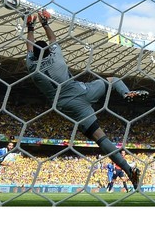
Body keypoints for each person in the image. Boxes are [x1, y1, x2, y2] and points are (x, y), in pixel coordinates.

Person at [24, 10, 147, 190]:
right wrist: (44, 24)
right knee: (112, 80)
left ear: (35, 55)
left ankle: (129, 171)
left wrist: (29, 27)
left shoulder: (32, 67)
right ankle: (126, 93)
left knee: (100, 138)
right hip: (82, 90)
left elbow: (29, 46)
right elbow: (53, 40)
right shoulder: (56, 58)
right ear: (49, 51)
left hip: (67, 106)